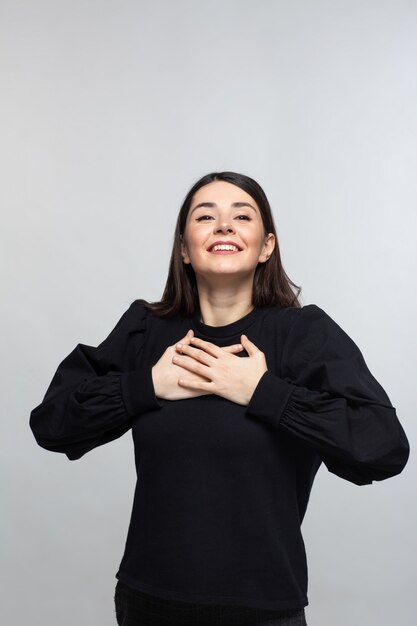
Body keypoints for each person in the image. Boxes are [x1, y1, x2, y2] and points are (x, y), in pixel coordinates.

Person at [29, 171, 410, 626]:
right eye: (205, 216)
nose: (224, 226)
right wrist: (146, 386)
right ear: (185, 249)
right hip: (147, 602)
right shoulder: (146, 329)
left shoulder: (302, 335)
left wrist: (262, 392)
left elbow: (383, 446)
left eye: (241, 216)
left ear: (266, 245)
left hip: (262, 609)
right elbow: (52, 424)